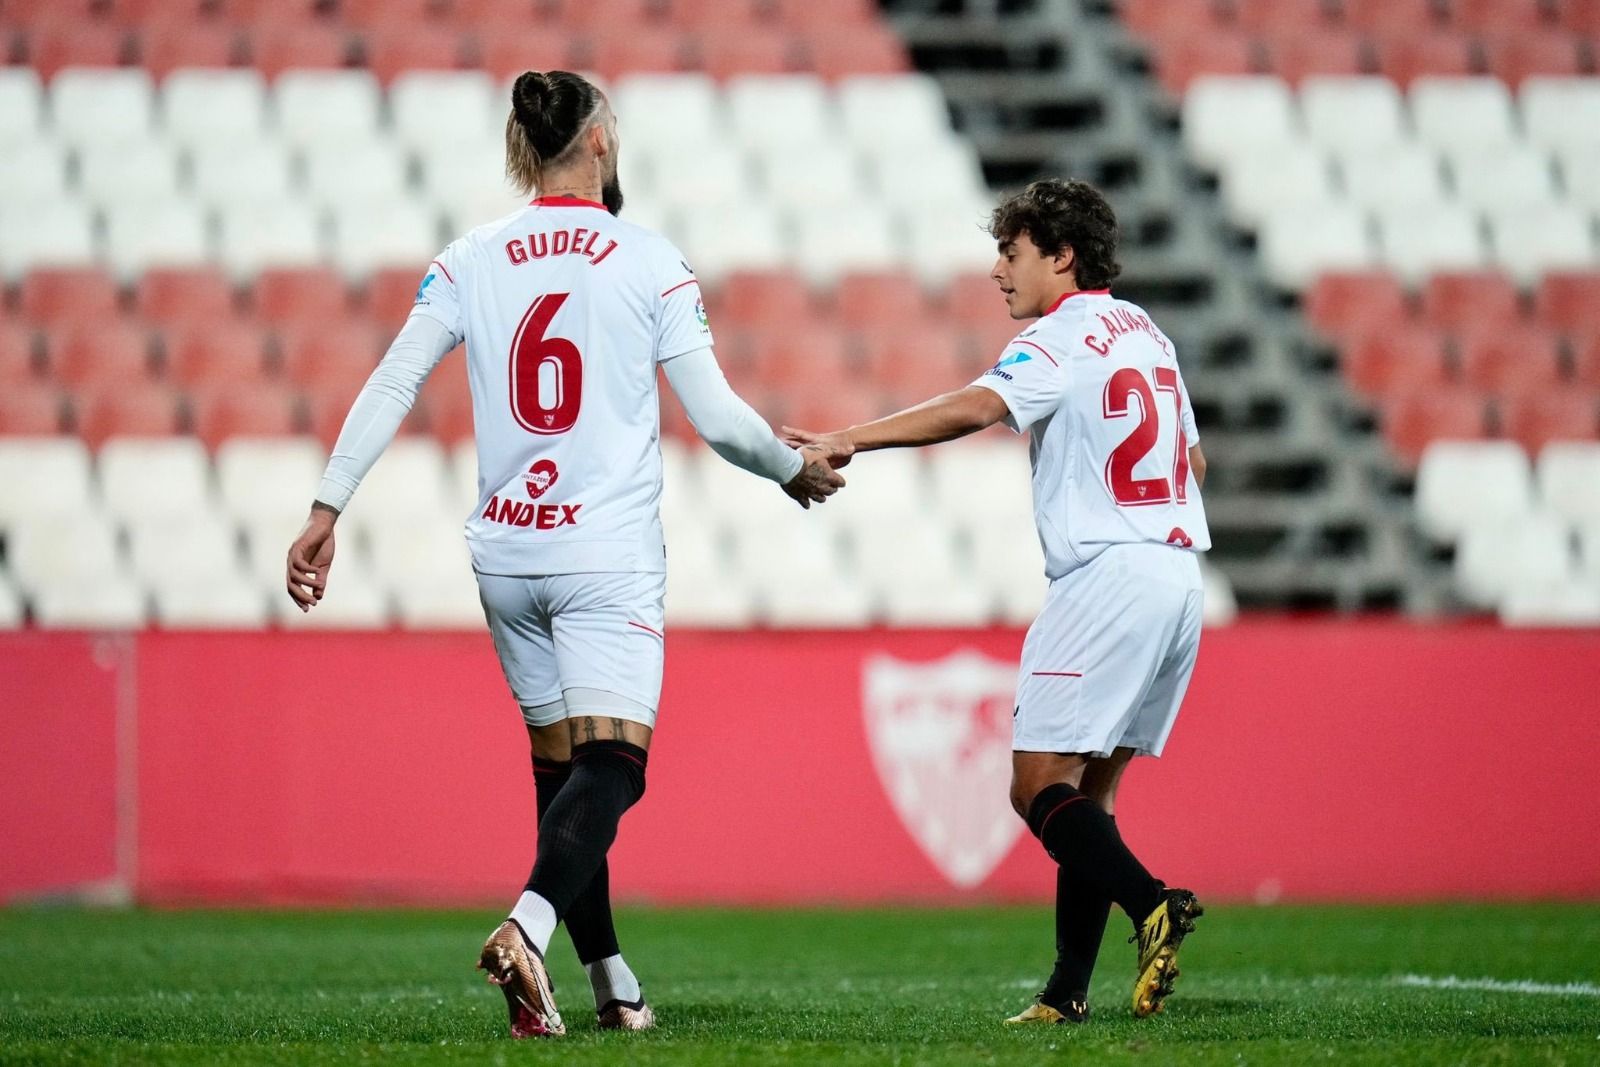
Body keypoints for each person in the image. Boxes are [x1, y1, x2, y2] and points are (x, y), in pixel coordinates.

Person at [285, 69, 844, 1039]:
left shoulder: (470, 256)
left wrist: (327, 506)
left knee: (562, 776)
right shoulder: (649, 260)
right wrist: (788, 466)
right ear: (597, 141)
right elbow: (713, 415)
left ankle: (611, 983)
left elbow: (392, 380)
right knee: (615, 769)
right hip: (603, 551)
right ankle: (526, 926)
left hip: (506, 552)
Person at [784, 178, 1208, 1023]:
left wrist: (848, 437)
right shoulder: (1148, 336)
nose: (996, 270)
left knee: (1032, 786)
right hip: (1177, 575)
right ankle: (1066, 994)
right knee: (1089, 796)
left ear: (1062, 256)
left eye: (1011, 252)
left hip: (1106, 579)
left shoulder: (1066, 334)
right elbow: (1193, 463)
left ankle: (1153, 902)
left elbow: (979, 406)